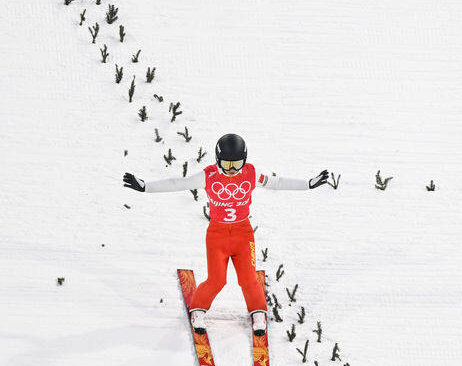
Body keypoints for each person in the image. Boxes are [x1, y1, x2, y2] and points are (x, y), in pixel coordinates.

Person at [122, 133, 329, 336]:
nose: (232, 170)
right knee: (217, 280)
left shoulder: (250, 173)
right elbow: (178, 183)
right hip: (217, 234)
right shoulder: (209, 175)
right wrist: (146, 187)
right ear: (217, 159)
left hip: (243, 233)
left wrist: (308, 184)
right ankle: (198, 310)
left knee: (248, 278)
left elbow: (277, 182)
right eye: (227, 164)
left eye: (237, 164)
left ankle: (258, 312)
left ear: (244, 161)